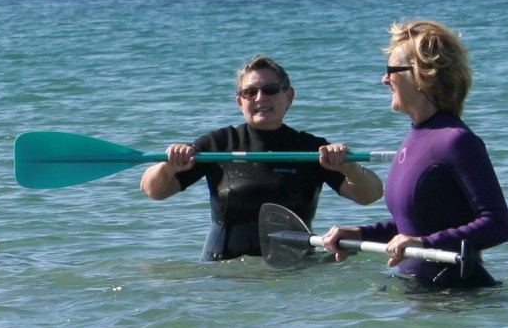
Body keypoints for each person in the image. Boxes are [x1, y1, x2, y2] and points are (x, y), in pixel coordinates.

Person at [321, 21, 508, 289]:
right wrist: (360, 234)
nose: (384, 78)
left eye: (391, 70)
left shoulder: (456, 140)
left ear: (421, 74)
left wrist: (425, 244)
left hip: (459, 300)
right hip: (419, 294)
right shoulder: (412, 141)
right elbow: (414, 225)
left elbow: (498, 224)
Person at [140, 54, 384, 260]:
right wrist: (168, 166)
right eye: (250, 92)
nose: (260, 98)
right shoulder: (217, 145)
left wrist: (349, 167)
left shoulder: (311, 148)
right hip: (225, 271)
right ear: (240, 101)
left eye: (270, 90)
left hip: (294, 270)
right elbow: (154, 190)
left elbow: (371, 195)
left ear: (288, 96)